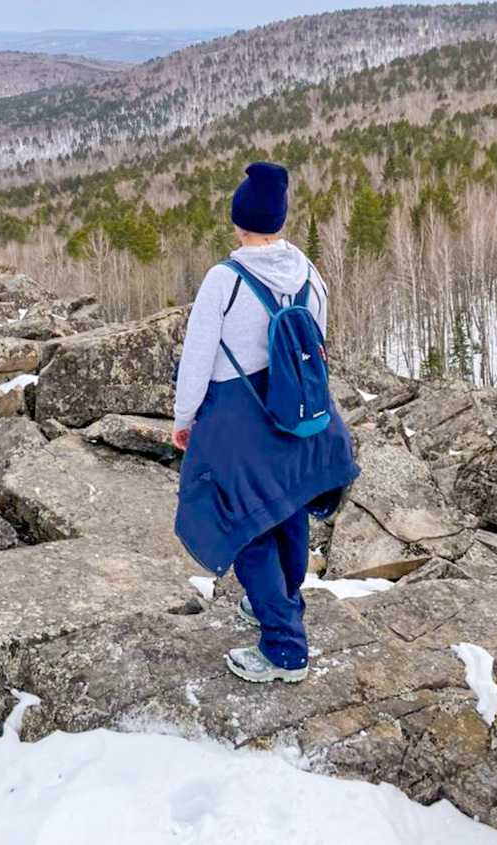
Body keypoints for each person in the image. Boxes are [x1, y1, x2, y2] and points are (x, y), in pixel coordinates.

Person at [172, 161, 360, 684]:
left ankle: (284, 648)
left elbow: (197, 360)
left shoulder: (224, 280)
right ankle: (276, 603)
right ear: (279, 219)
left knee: (246, 525)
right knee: (288, 510)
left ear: (238, 221)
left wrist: (185, 419)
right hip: (295, 418)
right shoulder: (308, 275)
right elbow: (315, 345)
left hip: (238, 422)